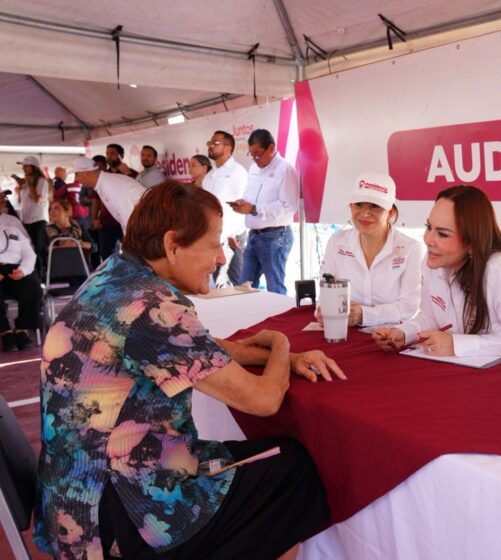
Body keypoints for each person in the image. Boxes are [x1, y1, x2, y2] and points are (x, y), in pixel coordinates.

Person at [35, 181, 344, 560]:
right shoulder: (154, 307)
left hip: (78, 501)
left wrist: (266, 356)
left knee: (268, 459)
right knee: (293, 473)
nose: (220, 258)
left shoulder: (116, 277)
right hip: (125, 515)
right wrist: (281, 345)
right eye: (214, 244)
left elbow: (194, 350)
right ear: (172, 244)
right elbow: (263, 401)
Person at [373, 185, 501, 357]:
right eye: (429, 227)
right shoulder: (433, 264)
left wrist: (458, 344)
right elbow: (431, 317)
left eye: (442, 234)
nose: (428, 239)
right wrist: (403, 333)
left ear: (471, 241)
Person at [319, 171, 423, 327]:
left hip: (390, 337)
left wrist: (365, 315)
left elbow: (410, 306)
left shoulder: (411, 249)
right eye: (359, 204)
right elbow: (326, 291)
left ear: (391, 212)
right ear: (350, 206)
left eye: (375, 206)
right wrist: (324, 310)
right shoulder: (337, 242)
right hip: (344, 330)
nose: (365, 213)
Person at [230, 129, 297, 295]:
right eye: (251, 154)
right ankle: (249, 319)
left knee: (274, 288)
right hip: (254, 234)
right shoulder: (253, 168)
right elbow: (250, 196)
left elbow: (288, 206)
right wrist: (242, 203)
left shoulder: (285, 169)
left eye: (258, 154)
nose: (254, 159)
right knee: (244, 285)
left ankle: (281, 320)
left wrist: (253, 209)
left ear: (271, 148)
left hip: (275, 236)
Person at [70, 156, 144, 263]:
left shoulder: (109, 185)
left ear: (87, 173)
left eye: (77, 174)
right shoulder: (104, 184)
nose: (76, 179)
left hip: (146, 229)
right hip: (142, 230)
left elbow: (128, 216)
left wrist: (131, 246)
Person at [204, 130, 249, 287]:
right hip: (213, 237)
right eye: (210, 143)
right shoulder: (209, 176)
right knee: (217, 284)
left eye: (215, 143)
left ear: (228, 148)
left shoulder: (238, 172)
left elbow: (243, 205)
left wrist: (233, 233)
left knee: (236, 283)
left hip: (232, 238)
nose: (210, 146)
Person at [0, 209, 42, 352]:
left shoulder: (13, 229)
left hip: (16, 269)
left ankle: (22, 329)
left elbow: (29, 254)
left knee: (33, 288)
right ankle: (4, 331)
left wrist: (23, 271)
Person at [15, 155, 50, 250]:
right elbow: (20, 202)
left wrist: (30, 184)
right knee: (29, 249)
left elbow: (38, 199)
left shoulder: (42, 181)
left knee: (39, 249)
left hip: (38, 221)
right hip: (26, 221)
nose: (23, 168)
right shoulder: (26, 183)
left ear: (34, 167)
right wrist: (20, 187)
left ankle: (42, 265)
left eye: (26, 166)